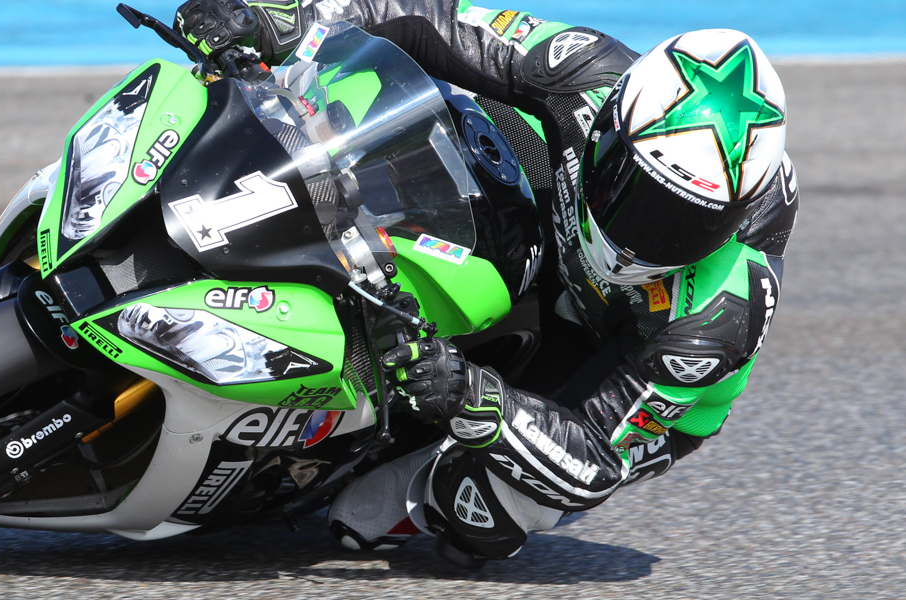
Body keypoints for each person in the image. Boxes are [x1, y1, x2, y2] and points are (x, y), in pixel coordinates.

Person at [173, 0, 800, 567]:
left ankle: (417, 471)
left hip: (619, 355)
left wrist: (471, 396)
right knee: (418, 128)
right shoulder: (589, 73)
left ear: (734, 218)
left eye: (686, 225)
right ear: (611, 128)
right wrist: (279, 21)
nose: (647, 237)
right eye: (641, 197)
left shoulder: (715, 318)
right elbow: (428, 19)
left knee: (428, 511)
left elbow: (594, 458)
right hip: (553, 226)